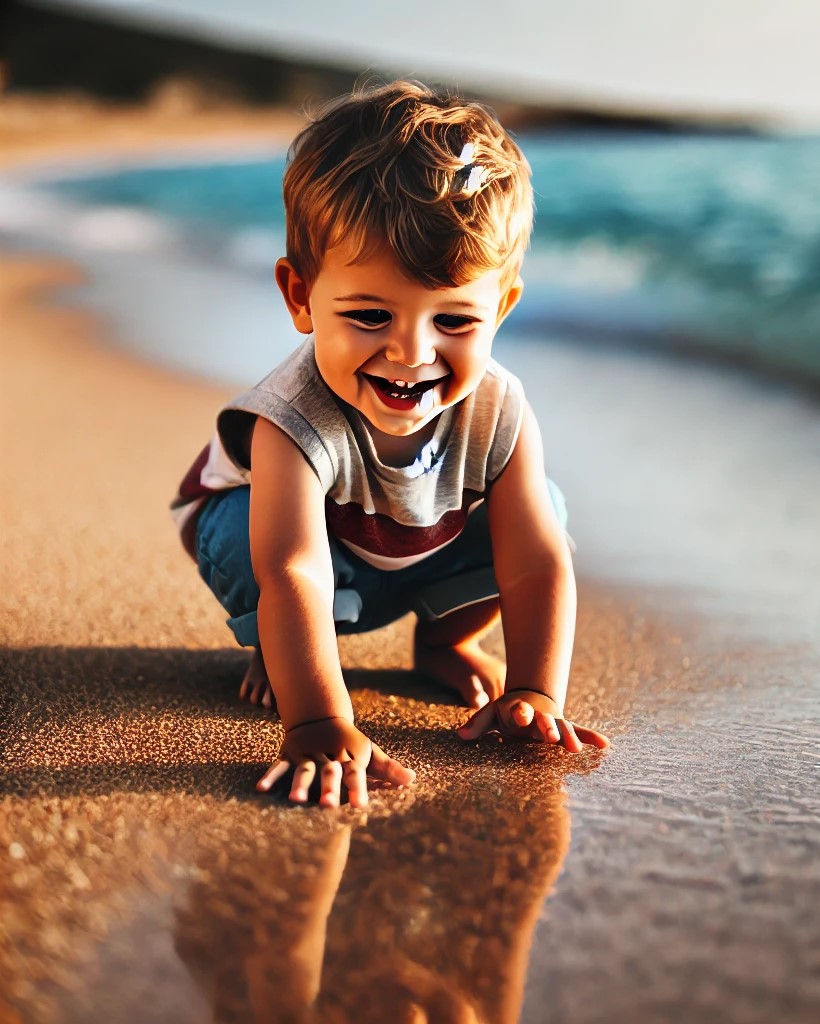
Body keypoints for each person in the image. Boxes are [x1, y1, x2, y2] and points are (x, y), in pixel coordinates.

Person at [171, 81, 609, 810]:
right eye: (371, 315)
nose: (411, 353)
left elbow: (535, 560)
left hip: (399, 545)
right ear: (301, 297)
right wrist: (316, 719)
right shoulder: (292, 417)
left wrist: (536, 690)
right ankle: (279, 652)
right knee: (260, 545)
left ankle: (441, 641)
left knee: (546, 511)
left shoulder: (500, 409)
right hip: (268, 548)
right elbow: (295, 569)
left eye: (455, 323)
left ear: (501, 307)